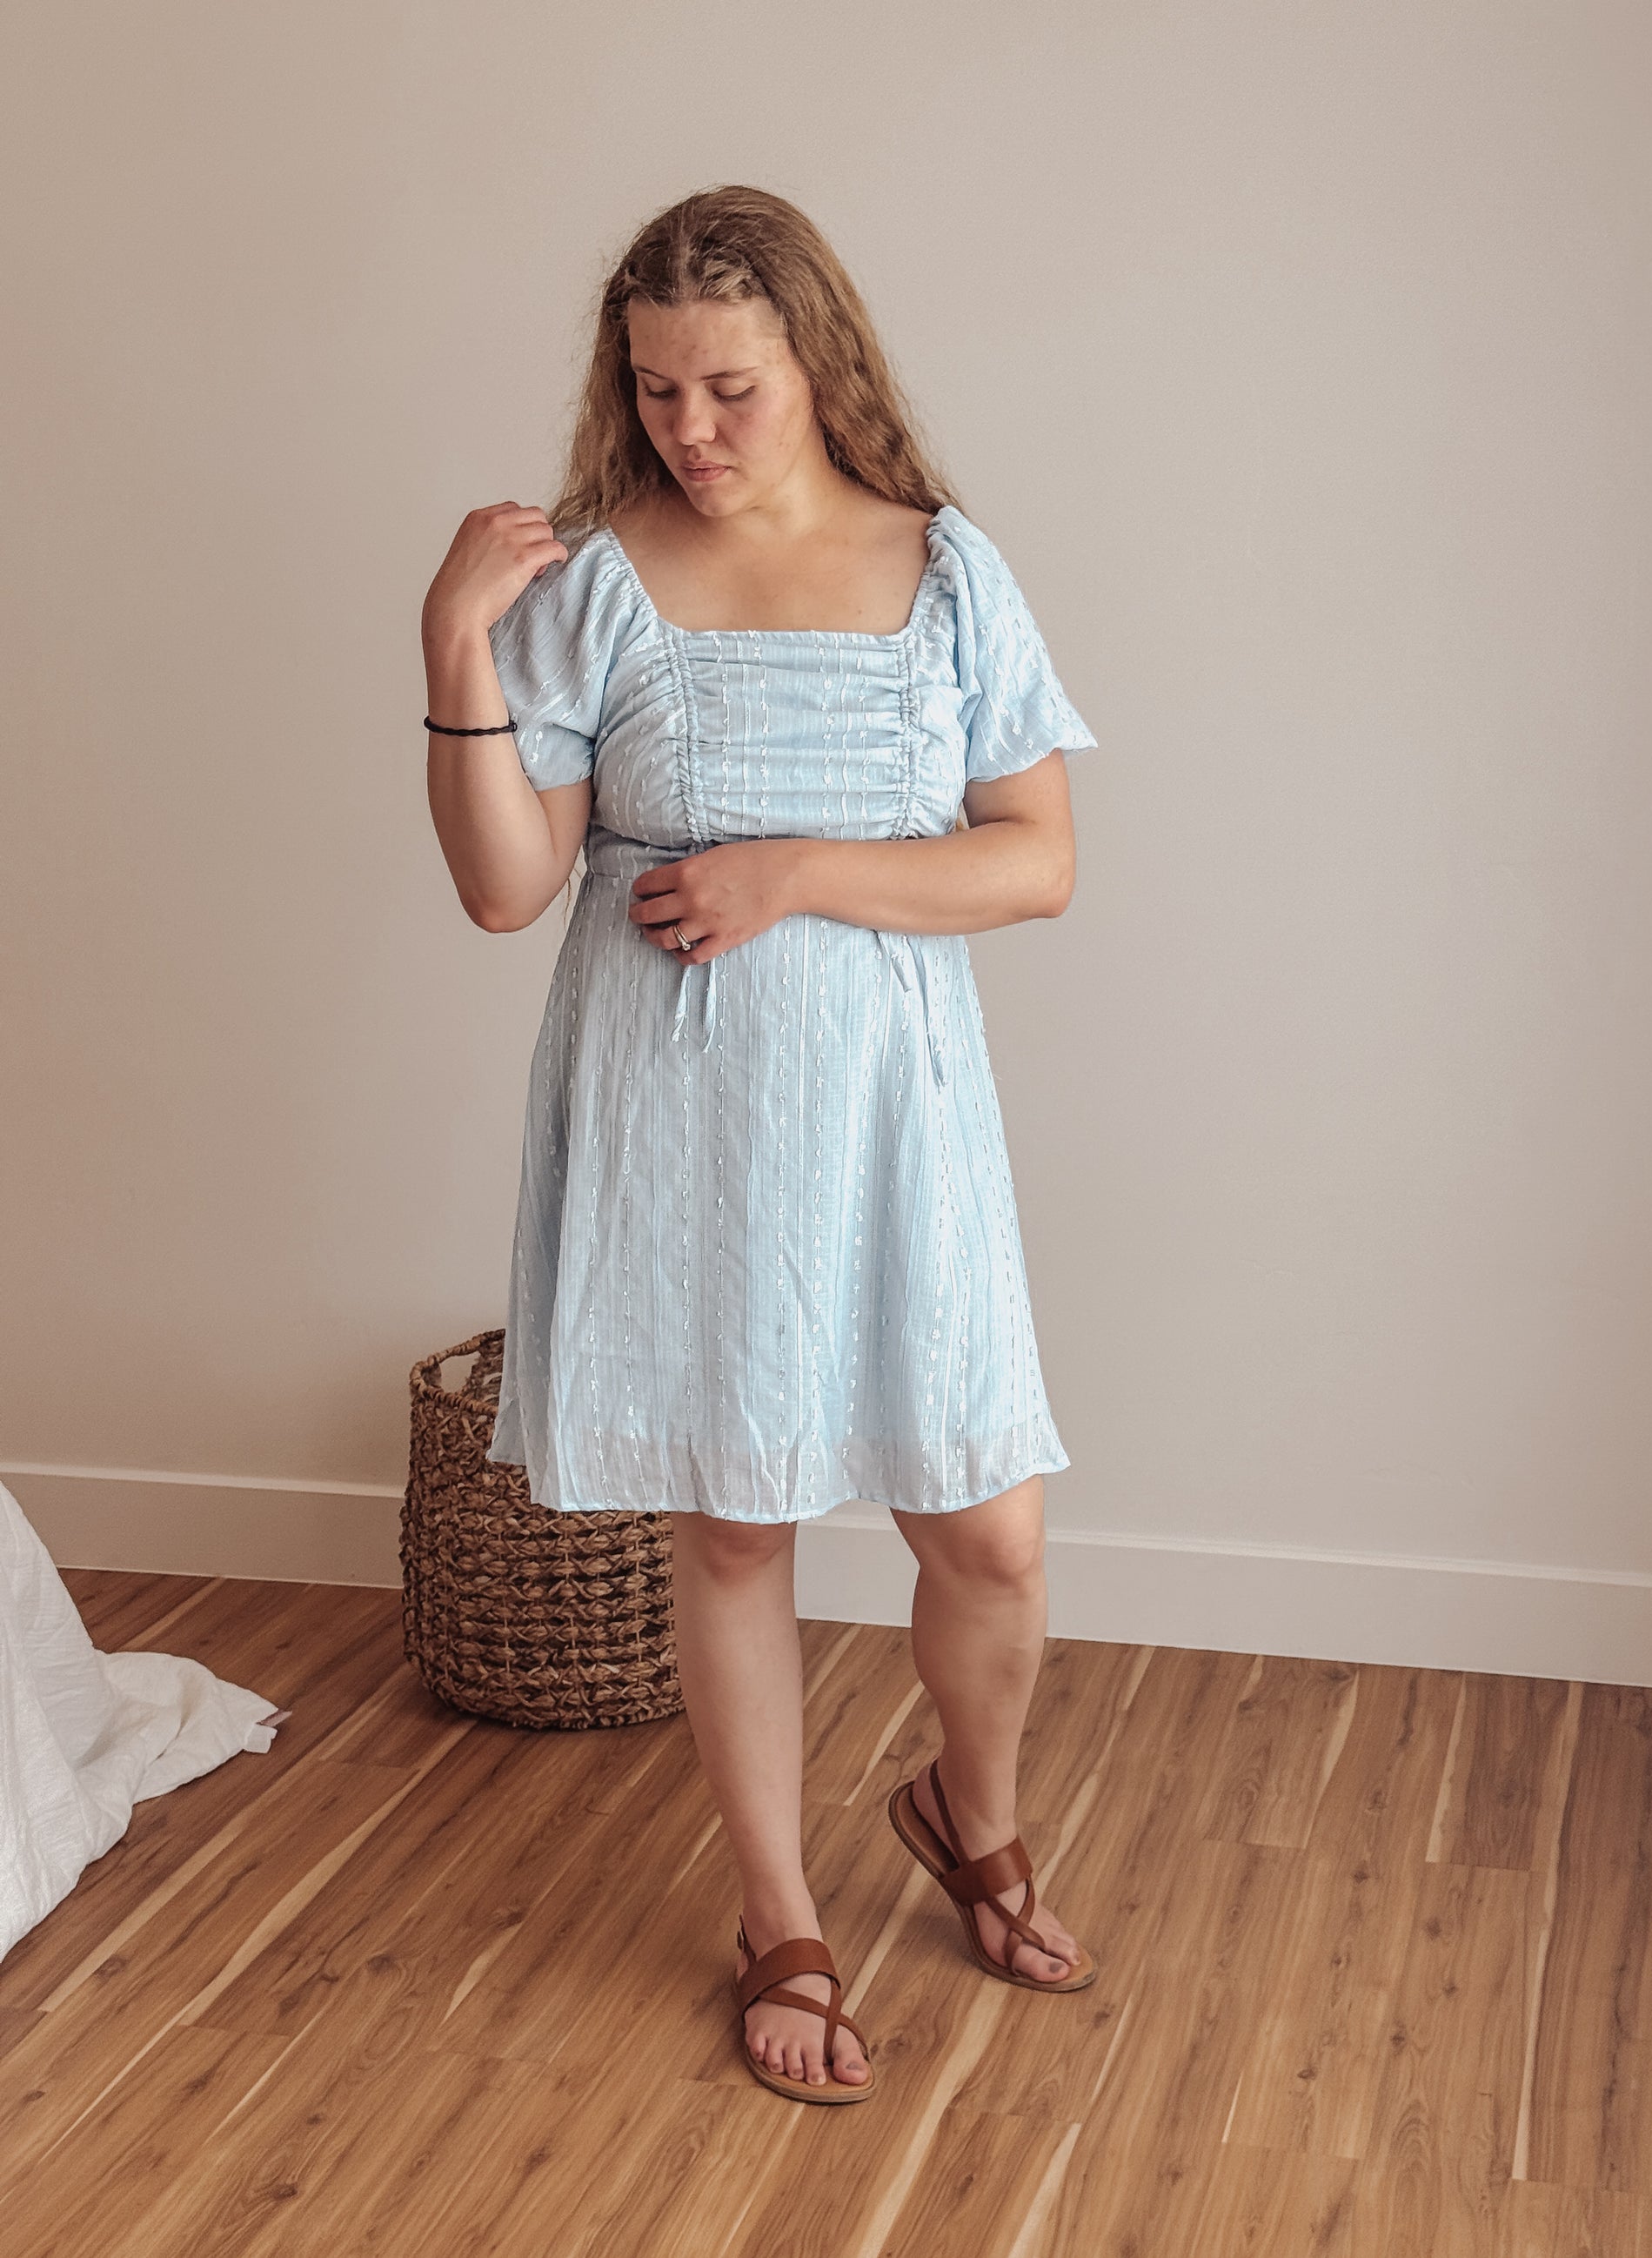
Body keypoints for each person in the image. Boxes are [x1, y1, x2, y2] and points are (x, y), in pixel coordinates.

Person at [421, 184, 1100, 2107]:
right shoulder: (597, 581)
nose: (689, 430)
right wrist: (455, 645)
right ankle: (778, 1913)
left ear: (818, 362)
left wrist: (791, 871)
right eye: (655, 390)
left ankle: (969, 1812)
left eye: (728, 387)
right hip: (682, 1108)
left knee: (989, 1528)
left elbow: (1036, 861)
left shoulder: (944, 568)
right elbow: (506, 887)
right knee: (733, 1520)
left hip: (893, 1112)